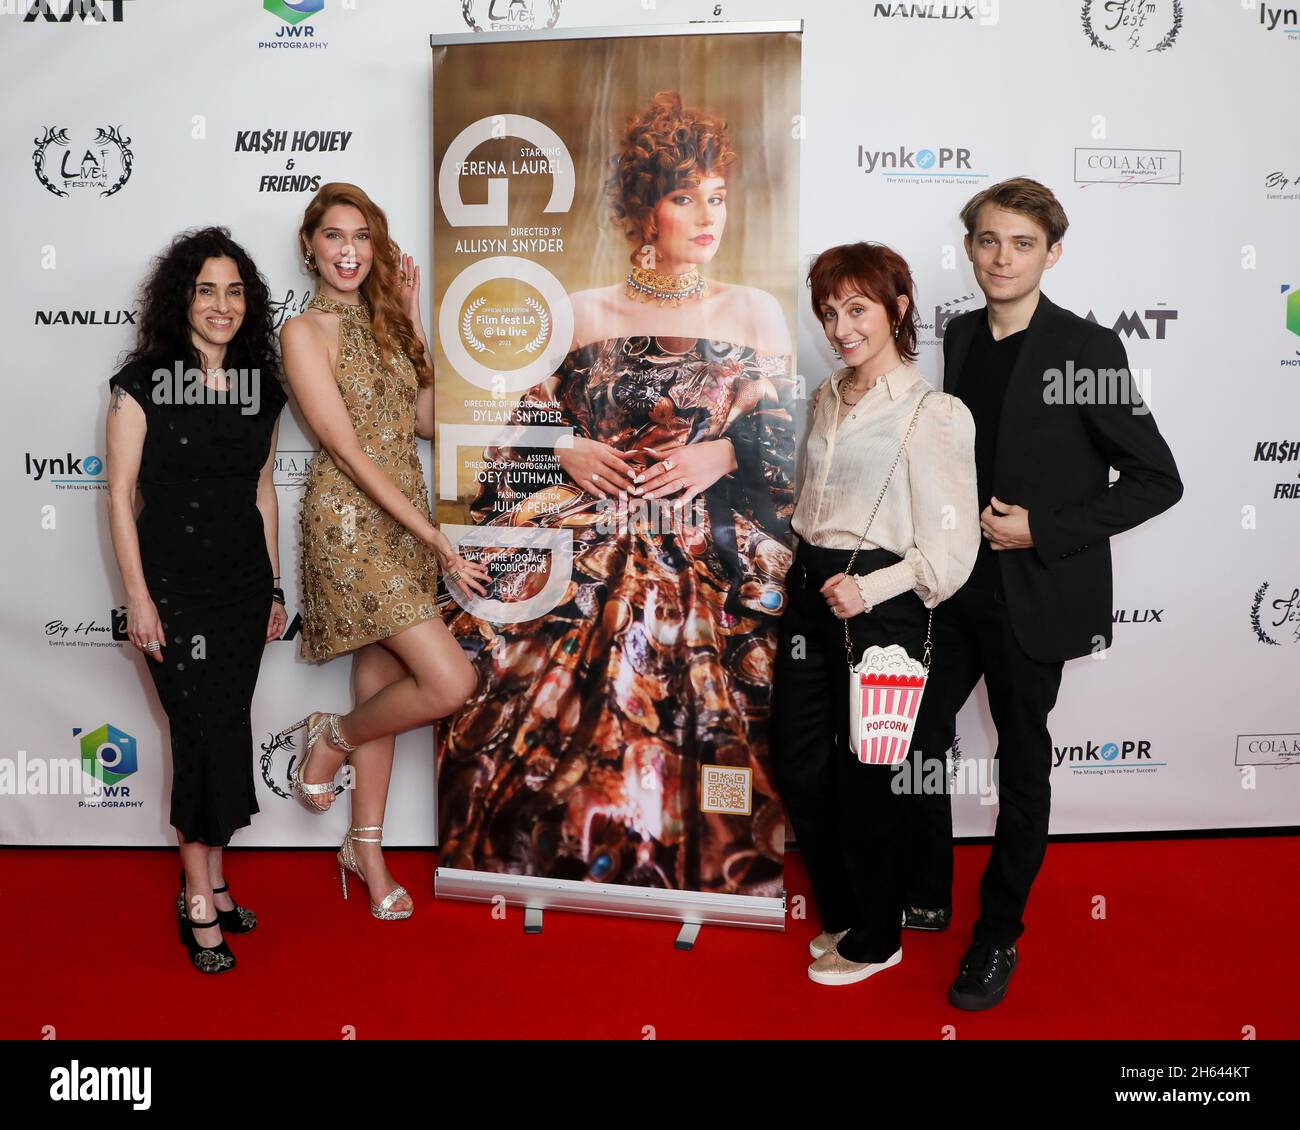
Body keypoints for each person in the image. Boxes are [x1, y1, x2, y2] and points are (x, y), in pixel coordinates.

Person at [436, 91, 797, 893]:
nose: (707, 214)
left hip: (709, 537)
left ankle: (706, 856)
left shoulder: (755, 310)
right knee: (495, 631)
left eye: (717, 194)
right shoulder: (579, 312)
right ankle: (558, 847)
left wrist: (724, 458)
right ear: (643, 210)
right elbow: (513, 443)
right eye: (682, 195)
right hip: (587, 523)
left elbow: (788, 447)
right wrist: (565, 445)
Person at [907, 177, 1184, 1009]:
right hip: (954, 590)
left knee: (1024, 766)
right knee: (914, 736)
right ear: (969, 249)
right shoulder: (958, 336)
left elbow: (1155, 479)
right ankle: (924, 894)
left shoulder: (1087, 350)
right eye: (989, 241)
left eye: (1022, 244)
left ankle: (997, 937)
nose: (1002, 257)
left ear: (1051, 254)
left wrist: (1045, 528)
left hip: (1036, 591)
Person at [277, 183, 489, 921]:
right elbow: (347, 449)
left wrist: (416, 322)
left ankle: (363, 848)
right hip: (351, 520)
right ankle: (327, 739)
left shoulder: (385, 322)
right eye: (335, 236)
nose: (349, 252)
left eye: (362, 238)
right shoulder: (304, 332)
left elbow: (425, 420)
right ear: (311, 245)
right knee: (448, 681)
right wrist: (433, 535)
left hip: (405, 516)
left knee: (382, 694)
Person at [772, 242, 978, 986]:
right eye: (829, 312)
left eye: (856, 309)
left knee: (872, 777)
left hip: (881, 609)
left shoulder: (935, 414)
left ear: (897, 309)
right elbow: (811, 506)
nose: (840, 327)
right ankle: (847, 912)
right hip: (809, 594)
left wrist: (874, 588)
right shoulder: (828, 397)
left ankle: (880, 934)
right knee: (800, 763)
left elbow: (952, 553)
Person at [105, 227, 287, 974]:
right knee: (199, 733)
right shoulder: (141, 383)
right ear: (181, 297)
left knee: (226, 730)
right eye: (207, 289)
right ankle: (197, 902)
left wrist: (275, 587)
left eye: (235, 290)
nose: (222, 305)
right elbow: (120, 497)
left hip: (243, 588)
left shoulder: (261, 388)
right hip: (173, 590)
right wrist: (139, 600)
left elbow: (264, 490)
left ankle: (210, 878)